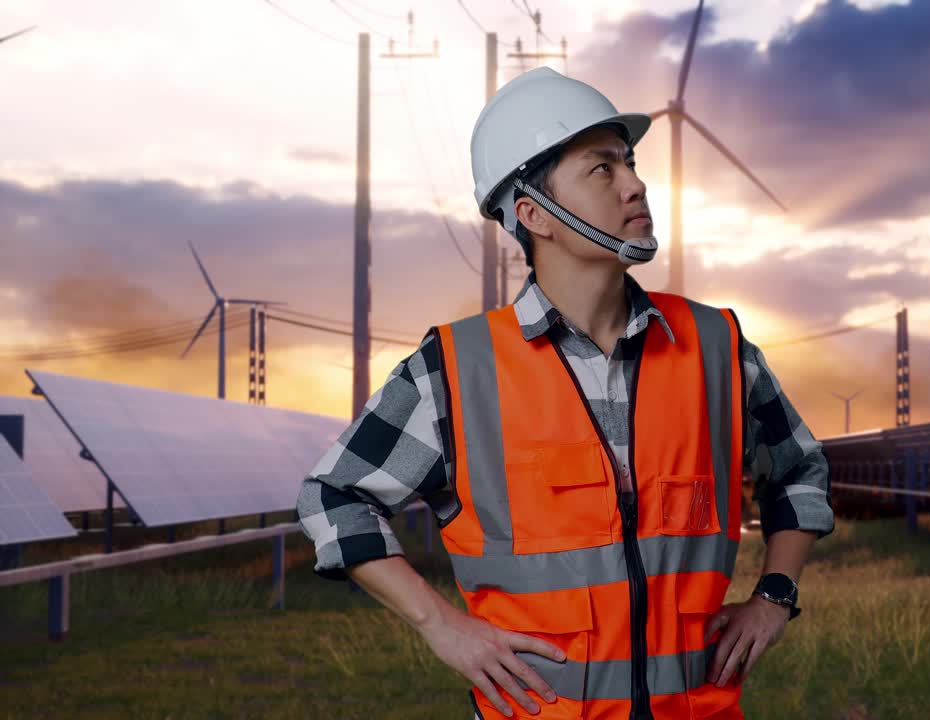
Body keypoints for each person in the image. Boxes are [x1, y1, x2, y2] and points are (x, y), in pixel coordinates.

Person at [296, 67, 834, 720]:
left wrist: (775, 595)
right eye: (601, 170)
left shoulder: (715, 347)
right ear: (532, 214)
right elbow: (333, 495)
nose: (635, 184)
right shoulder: (456, 371)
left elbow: (801, 468)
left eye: (629, 163)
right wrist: (440, 625)